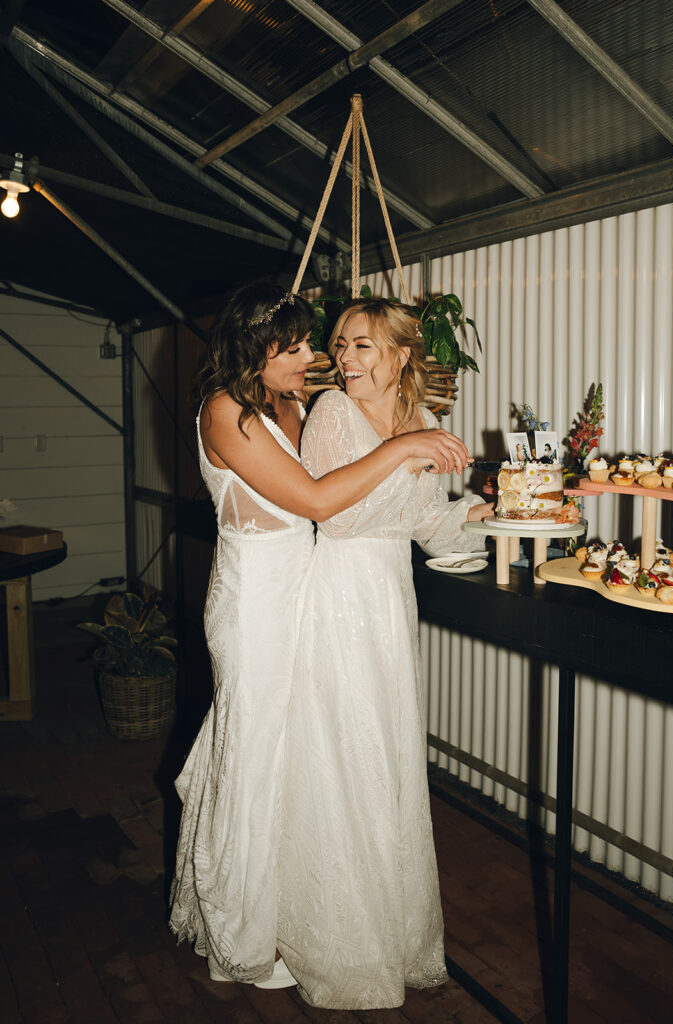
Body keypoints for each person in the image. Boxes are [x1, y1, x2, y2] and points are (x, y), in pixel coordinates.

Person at [168, 285, 473, 989]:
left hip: (300, 592)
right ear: (254, 345)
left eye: (318, 343)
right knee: (250, 758)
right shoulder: (223, 412)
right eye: (298, 345)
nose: (315, 358)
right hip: (252, 604)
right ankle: (238, 943)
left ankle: (273, 913)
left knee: (283, 763)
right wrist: (404, 446)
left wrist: (407, 447)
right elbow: (313, 500)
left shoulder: (289, 405)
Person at [277, 298, 493, 1009]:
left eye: (362, 347)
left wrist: (488, 512)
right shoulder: (332, 415)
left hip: (390, 606)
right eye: (340, 346)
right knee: (344, 759)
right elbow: (331, 510)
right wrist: (397, 455)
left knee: (388, 761)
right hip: (337, 598)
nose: (344, 360)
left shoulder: (423, 422)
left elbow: (427, 526)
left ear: (401, 355)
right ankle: (339, 945)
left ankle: (392, 934)